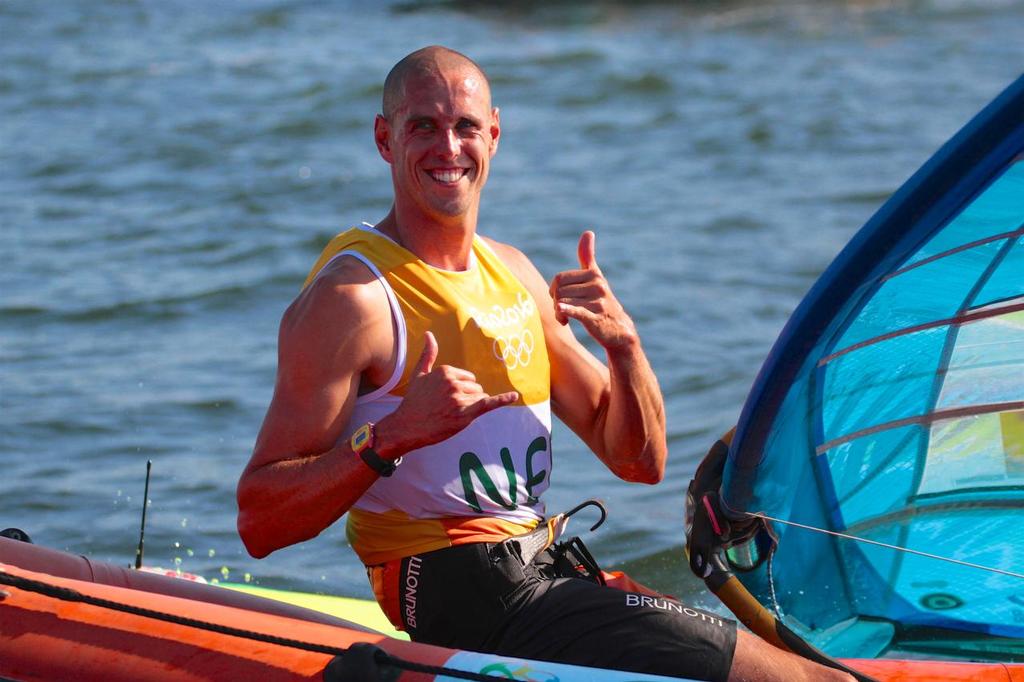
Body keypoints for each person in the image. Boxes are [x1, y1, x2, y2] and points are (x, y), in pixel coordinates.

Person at [236, 46, 853, 682]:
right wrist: (391, 436)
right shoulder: (353, 299)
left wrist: (626, 348)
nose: (448, 147)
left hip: (541, 572)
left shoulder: (516, 277)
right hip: (461, 589)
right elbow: (261, 520)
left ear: (494, 136)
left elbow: (639, 462)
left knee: (781, 662)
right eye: (423, 126)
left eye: (466, 126)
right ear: (384, 138)